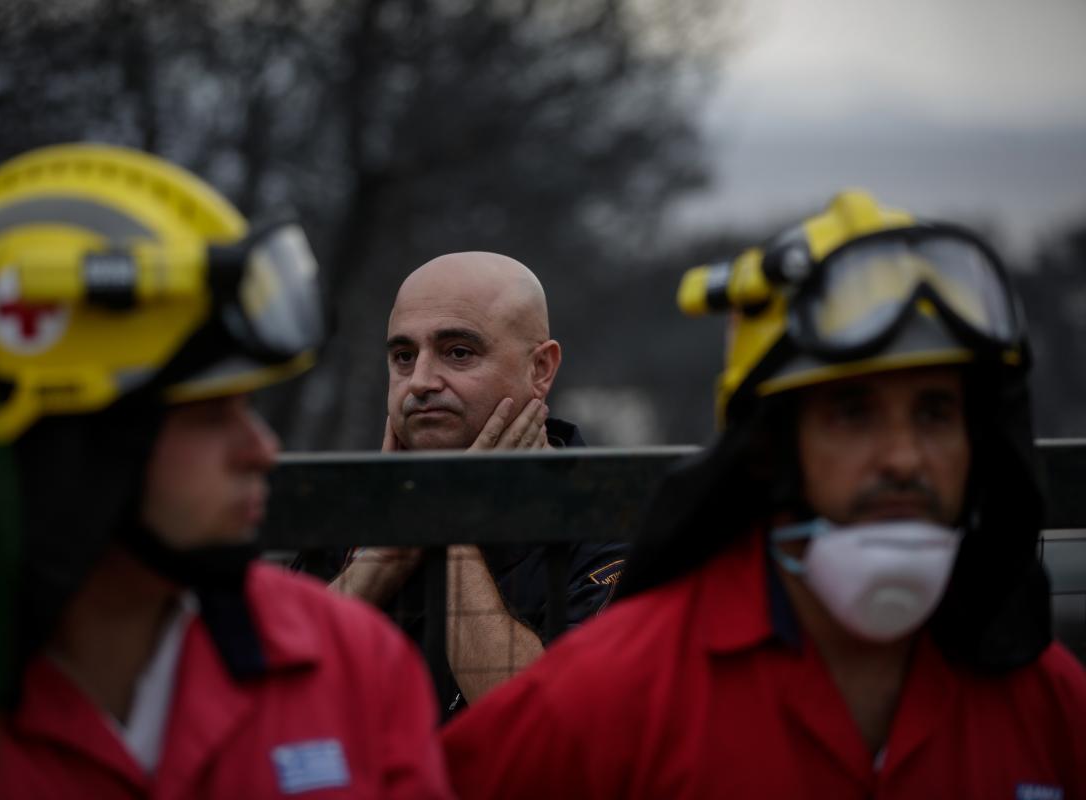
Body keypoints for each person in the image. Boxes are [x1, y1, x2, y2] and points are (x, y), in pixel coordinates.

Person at [443, 191, 1086, 798]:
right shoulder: (623, 688)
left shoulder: (1051, 702)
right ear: (773, 446)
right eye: (853, 413)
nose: (904, 458)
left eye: (936, 413)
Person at [0, 143, 453, 799]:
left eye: (249, 407)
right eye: (209, 415)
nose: (260, 449)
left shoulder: (350, 663)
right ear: (72, 443)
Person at [330, 252, 627, 715]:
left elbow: (545, 731)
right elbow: (263, 692)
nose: (420, 382)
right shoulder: (342, 513)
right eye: (404, 356)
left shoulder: (617, 526)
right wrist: (391, 548)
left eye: (459, 353)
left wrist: (450, 526)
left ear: (541, 369)